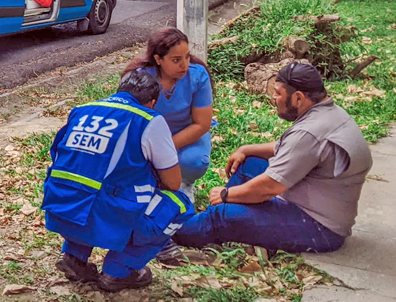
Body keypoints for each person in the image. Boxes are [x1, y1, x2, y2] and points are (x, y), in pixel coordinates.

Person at [174, 63, 373, 253]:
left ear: (298, 98)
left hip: (318, 227)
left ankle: (171, 231)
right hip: (311, 200)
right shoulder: (330, 114)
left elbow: (269, 187)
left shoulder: (309, 133)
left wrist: (227, 194)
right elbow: (286, 149)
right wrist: (246, 148)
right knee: (249, 162)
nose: (273, 97)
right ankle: (217, 218)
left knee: (221, 217)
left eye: (278, 92)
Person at [42, 71, 194, 292]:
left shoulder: (81, 110)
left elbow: (59, 156)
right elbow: (173, 182)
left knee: (91, 186)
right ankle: (119, 271)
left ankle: (73, 254)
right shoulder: (148, 119)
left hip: (60, 207)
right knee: (179, 202)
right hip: (104, 213)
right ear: (151, 102)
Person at [123, 27, 215, 200]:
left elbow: (202, 124)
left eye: (187, 57)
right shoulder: (139, 77)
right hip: (149, 137)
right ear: (158, 59)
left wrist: (164, 149)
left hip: (187, 135)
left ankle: (184, 183)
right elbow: (130, 119)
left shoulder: (197, 77)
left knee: (194, 161)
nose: (184, 65)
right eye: (176, 60)